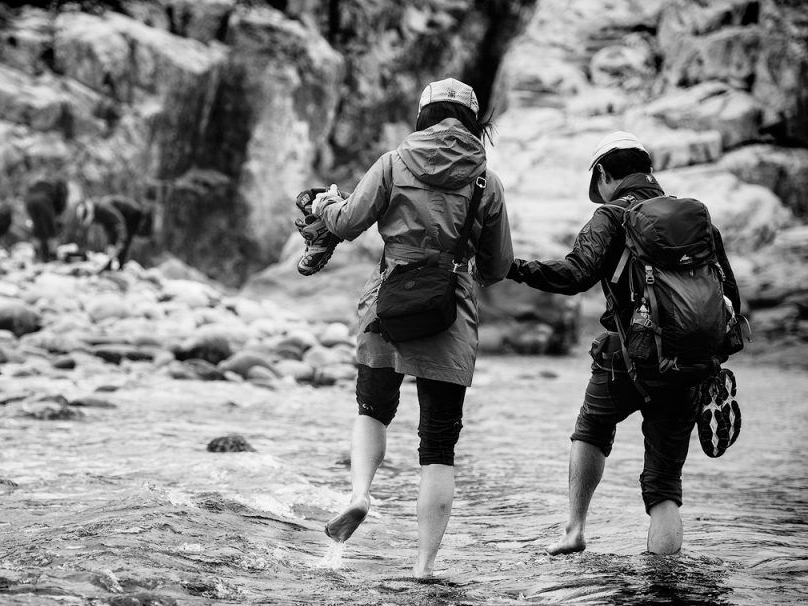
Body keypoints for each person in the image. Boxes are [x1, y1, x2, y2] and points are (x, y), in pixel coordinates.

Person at [311, 78, 513, 578]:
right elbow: (498, 265)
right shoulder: (485, 179)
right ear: (471, 121)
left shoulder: (394, 161)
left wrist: (321, 207)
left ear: (423, 115)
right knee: (438, 443)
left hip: (391, 302)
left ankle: (360, 495)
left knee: (372, 409)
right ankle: (423, 566)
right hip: (451, 310)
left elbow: (347, 222)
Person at [506, 131, 741, 556]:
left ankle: (575, 529)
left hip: (626, 359)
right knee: (664, 487)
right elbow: (732, 301)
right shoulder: (697, 222)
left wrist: (514, 268)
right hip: (690, 365)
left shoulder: (613, 216)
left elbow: (574, 275)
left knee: (591, 429)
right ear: (649, 172)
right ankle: (665, 582)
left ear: (602, 174)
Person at [74, 194, 151, 271]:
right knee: (115, 243)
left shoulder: (102, 208)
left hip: (132, 215)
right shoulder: (99, 212)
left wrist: (119, 244)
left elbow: (119, 223)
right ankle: (113, 265)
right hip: (125, 219)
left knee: (124, 242)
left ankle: (120, 267)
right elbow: (109, 229)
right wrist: (110, 244)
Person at [24, 178, 69, 262]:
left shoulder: (45, 186)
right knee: (51, 228)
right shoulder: (59, 189)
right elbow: (60, 204)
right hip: (43, 201)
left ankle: (37, 253)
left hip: (29, 202)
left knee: (38, 228)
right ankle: (53, 254)